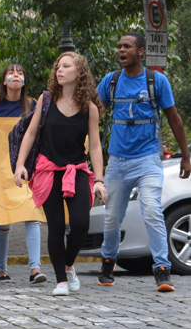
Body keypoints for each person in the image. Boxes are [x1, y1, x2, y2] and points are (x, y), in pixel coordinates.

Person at [96, 33, 190, 291]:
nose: (121, 50)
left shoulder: (156, 81)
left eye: (126, 46)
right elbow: (95, 112)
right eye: (119, 46)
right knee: (112, 217)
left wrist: (186, 156)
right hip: (117, 161)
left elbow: (174, 118)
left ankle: (162, 270)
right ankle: (107, 265)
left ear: (140, 51)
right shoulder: (111, 81)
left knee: (151, 210)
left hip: (148, 160)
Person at [14, 52, 106, 296]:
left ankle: (68, 264)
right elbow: (31, 134)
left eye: (66, 66)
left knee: (80, 224)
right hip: (47, 170)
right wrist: (20, 165)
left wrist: (99, 179)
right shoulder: (45, 101)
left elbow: (95, 146)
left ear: (80, 73)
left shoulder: (89, 108)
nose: (60, 70)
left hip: (76, 170)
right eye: (58, 66)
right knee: (55, 226)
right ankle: (61, 281)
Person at [0, 64, 47, 284]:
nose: (16, 76)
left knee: (32, 217)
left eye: (20, 73)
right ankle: (2, 269)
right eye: (11, 73)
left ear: (25, 81)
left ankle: (35, 269)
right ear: (4, 81)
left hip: (27, 167)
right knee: (3, 221)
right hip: (1, 168)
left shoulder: (33, 105)